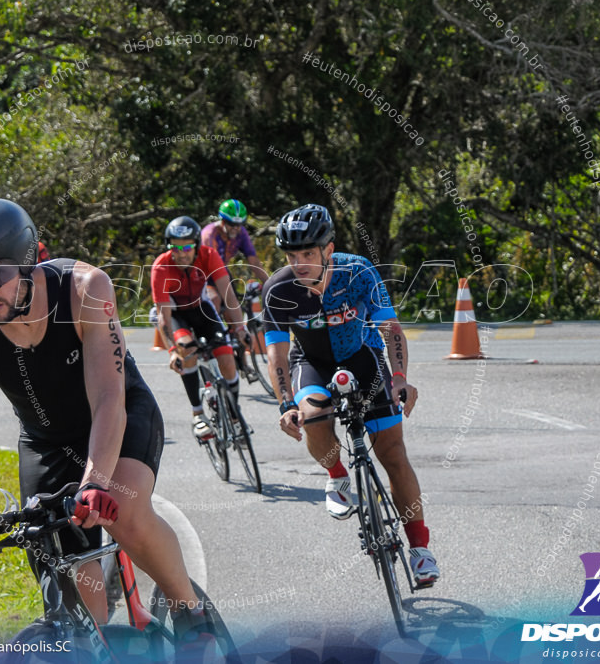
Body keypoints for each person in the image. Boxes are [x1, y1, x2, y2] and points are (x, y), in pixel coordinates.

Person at [0, 198, 215, 645]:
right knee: (73, 599)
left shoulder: (87, 287)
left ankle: (191, 610)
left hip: (118, 415)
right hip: (45, 440)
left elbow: (109, 398)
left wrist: (95, 482)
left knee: (124, 513)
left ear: (29, 260)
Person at [261, 204, 440, 586]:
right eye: (292, 256)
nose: (300, 263)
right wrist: (285, 403)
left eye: (308, 254)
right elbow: (275, 351)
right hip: (311, 361)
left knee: (393, 453)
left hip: (363, 357)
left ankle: (420, 549)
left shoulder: (357, 271)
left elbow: (390, 327)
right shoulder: (278, 289)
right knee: (312, 415)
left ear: (329, 249)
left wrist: (400, 378)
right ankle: (337, 475)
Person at [151, 216, 249, 440]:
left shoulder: (208, 256)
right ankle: (198, 414)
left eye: (187, 246)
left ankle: (235, 416)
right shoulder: (161, 266)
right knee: (187, 348)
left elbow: (229, 295)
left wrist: (240, 328)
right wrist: (172, 351)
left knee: (226, 357)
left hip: (200, 308)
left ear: (196, 244)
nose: (181, 252)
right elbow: (163, 316)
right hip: (176, 314)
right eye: (175, 246)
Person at [200, 199, 268, 311]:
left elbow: (253, 261)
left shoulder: (241, 233)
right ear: (222, 221)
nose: (236, 228)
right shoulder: (210, 234)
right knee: (215, 300)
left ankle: (234, 328)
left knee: (232, 309)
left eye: (239, 224)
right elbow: (211, 266)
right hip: (204, 273)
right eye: (232, 224)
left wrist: (268, 282)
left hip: (222, 271)